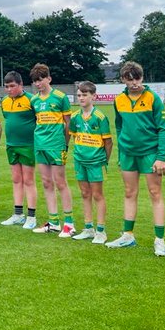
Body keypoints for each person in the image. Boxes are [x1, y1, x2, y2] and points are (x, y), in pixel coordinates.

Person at [107, 60, 165, 256]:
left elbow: (164, 128)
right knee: (129, 192)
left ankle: (159, 240)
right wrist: (121, 152)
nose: (134, 83)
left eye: (138, 79)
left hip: (150, 153)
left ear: (142, 78)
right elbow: (119, 127)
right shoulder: (119, 100)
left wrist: (161, 157)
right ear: (123, 80)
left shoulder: (152, 98)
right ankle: (128, 235)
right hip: (128, 154)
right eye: (130, 79)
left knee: (155, 193)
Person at [29, 62, 76, 236]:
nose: (38, 84)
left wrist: (65, 143)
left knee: (60, 182)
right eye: (35, 81)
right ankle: (54, 221)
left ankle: (69, 223)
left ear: (49, 78)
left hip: (56, 145)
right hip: (40, 145)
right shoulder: (34, 100)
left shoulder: (60, 97)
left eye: (41, 80)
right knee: (46, 182)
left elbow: (68, 123)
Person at [68, 81, 112, 242]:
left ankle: (101, 231)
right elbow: (74, 135)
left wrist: (104, 160)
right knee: (85, 194)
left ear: (93, 96)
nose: (81, 98)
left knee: (98, 195)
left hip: (96, 162)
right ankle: (88, 228)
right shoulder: (74, 117)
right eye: (79, 95)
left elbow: (108, 142)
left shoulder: (100, 117)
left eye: (85, 95)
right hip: (80, 160)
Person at [0, 71, 38, 229]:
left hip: (28, 145)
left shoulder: (31, 100)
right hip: (11, 145)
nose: (9, 89)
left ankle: (31, 216)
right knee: (16, 179)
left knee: (28, 180)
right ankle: (18, 214)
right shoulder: (4, 102)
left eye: (12, 86)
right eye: (7, 86)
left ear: (21, 85)